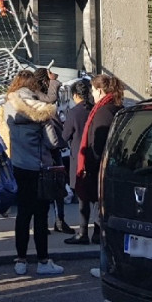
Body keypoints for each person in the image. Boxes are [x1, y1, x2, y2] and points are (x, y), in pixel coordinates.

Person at [3, 70, 64, 276]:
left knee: (22, 215)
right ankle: (43, 260)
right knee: (40, 217)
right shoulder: (42, 111)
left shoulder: (8, 108)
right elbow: (52, 142)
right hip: (39, 168)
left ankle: (20, 260)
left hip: (18, 166)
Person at [70, 74, 125, 246]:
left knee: (99, 205)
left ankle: (97, 237)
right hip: (110, 167)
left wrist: (90, 165)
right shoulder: (114, 107)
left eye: (93, 90)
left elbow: (98, 143)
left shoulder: (103, 112)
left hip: (102, 168)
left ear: (100, 90)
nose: (92, 95)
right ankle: (95, 234)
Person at [61, 78, 93, 242]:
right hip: (94, 157)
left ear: (75, 95)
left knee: (82, 197)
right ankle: (98, 231)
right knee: (96, 196)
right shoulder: (94, 110)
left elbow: (65, 135)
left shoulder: (73, 113)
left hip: (78, 156)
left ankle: (83, 232)